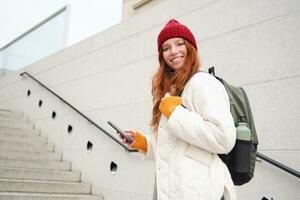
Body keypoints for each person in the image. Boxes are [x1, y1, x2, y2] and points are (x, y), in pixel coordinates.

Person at [118, 19, 236, 200]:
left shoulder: (202, 82)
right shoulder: (171, 89)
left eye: (179, 44)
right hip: (174, 190)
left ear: (191, 48)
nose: (173, 51)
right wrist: (144, 143)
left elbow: (223, 139)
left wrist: (175, 113)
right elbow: (176, 146)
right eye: (166, 48)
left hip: (202, 191)